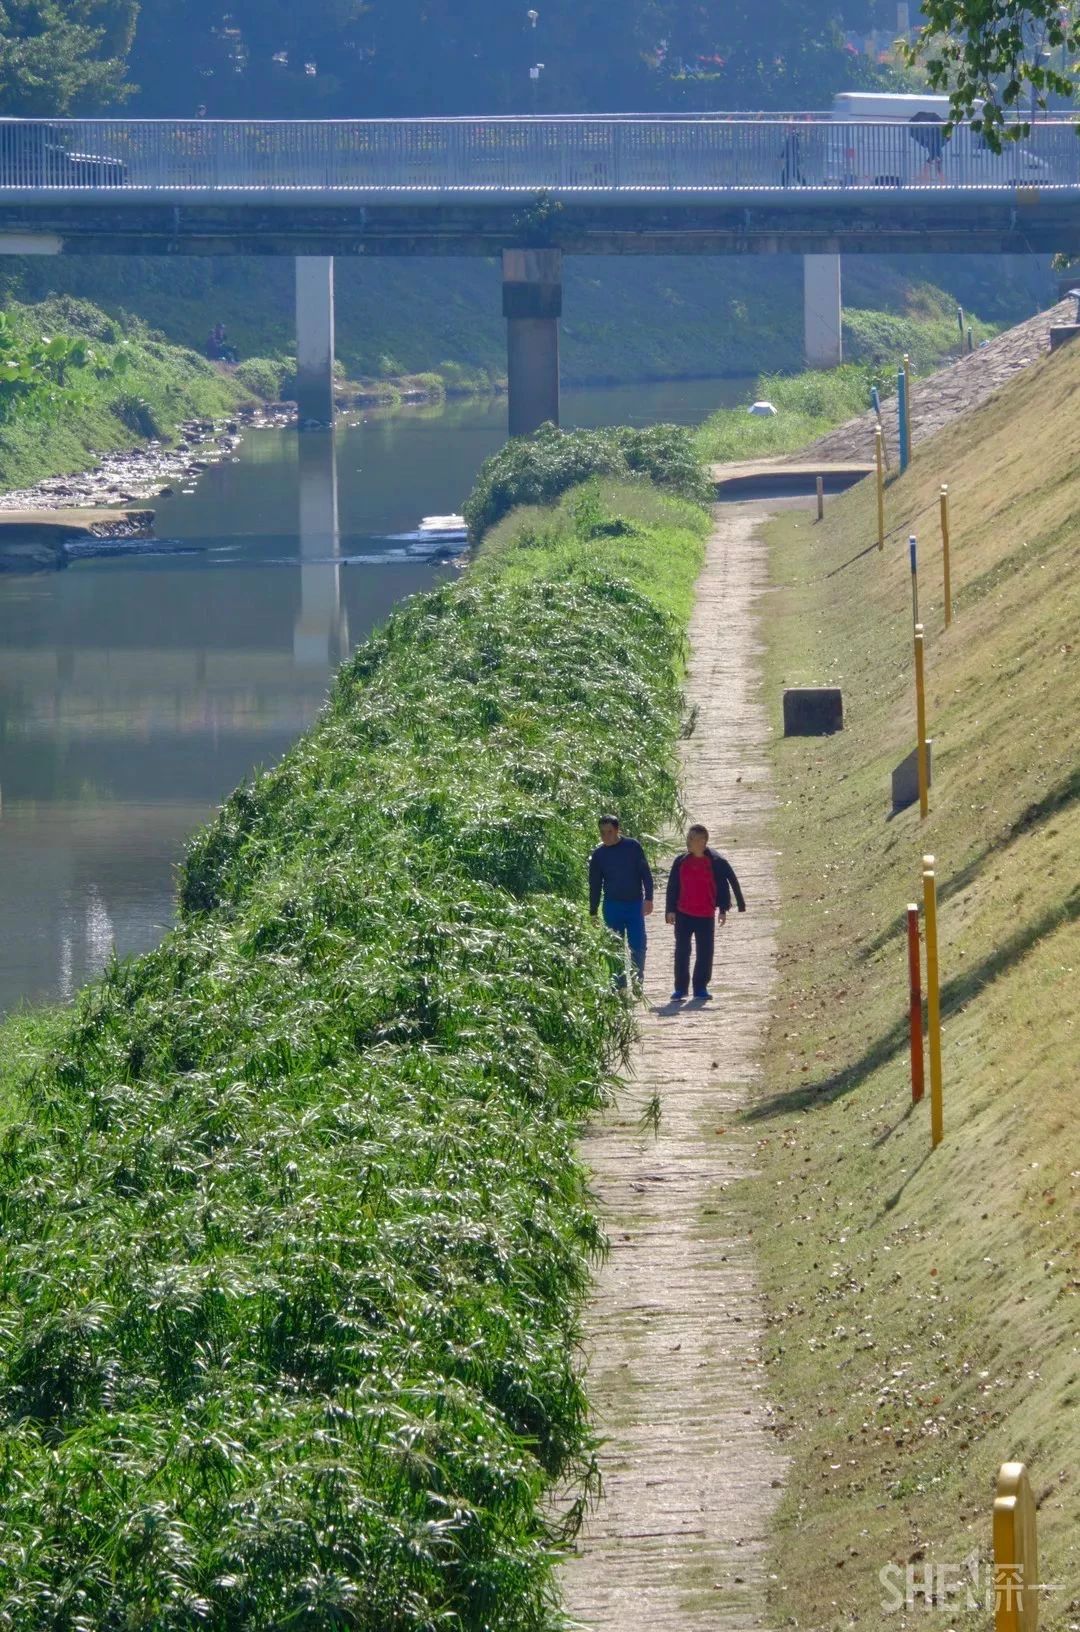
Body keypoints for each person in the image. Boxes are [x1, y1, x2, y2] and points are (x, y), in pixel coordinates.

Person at [664, 823, 745, 1001]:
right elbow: (672, 887)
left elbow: (723, 886)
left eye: (693, 839)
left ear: (703, 841)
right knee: (682, 951)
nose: (689, 841)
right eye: (689, 838)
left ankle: (700, 987)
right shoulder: (681, 862)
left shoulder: (714, 862)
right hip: (683, 913)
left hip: (705, 915)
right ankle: (680, 988)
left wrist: (723, 910)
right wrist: (670, 910)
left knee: (705, 952)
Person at [589, 814, 654, 985]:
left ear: (617, 830)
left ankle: (638, 981)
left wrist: (649, 898)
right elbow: (595, 885)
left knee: (638, 946)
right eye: (602, 832)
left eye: (609, 832)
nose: (605, 836)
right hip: (612, 907)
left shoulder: (632, 847)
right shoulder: (599, 855)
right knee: (615, 948)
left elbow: (645, 873)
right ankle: (619, 987)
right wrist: (593, 911)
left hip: (634, 905)